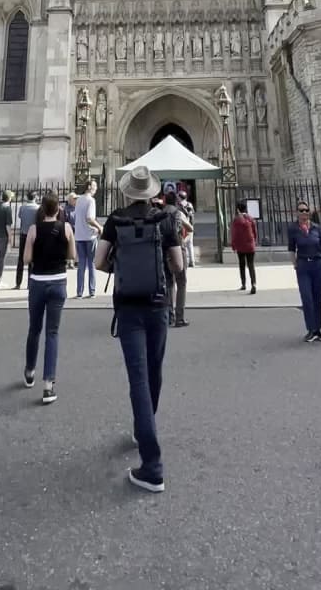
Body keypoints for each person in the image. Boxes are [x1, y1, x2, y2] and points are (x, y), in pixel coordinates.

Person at [95, 164, 182, 492]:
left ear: (127, 192)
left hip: (128, 306)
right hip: (158, 304)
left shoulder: (116, 219)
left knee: (138, 379)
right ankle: (146, 428)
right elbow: (179, 264)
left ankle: (152, 462)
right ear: (152, 192)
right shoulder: (165, 219)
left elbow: (98, 262)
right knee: (154, 371)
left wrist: (121, 266)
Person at [23, 192, 77, 404]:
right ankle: (48, 385)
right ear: (58, 209)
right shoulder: (66, 228)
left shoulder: (34, 229)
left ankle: (29, 371)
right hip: (58, 281)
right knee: (52, 333)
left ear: (42, 209)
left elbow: (26, 258)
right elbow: (72, 256)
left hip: (38, 281)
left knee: (34, 329)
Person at [288, 199, 321, 341]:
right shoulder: (293, 229)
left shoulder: (317, 228)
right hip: (303, 265)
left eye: (306, 210)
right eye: (301, 210)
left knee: (317, 298)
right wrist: (295, 264)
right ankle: (310, 329)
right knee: (307, 298)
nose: (304, 212)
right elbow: (291, 249)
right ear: (297, 213)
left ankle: (318, 329)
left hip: (317, 265)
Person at [163, 192, 191, 327]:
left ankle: (170, 315)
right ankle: (180, 317)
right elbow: (190, 228)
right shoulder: (178, 213)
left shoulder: (160, 213)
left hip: (164, 250)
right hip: (178, 248)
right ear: (176, 201)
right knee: (181, 282)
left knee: (168, 282)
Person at [74, 178, 102, 298]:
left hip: (79, 235)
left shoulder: (79, 199)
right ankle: (92, 291)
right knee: (91, 264)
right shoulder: (91, 200)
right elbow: (90, 218)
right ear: (89, 187)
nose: (96, 188)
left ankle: (79, 292)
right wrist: (99, 227)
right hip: (90, 235)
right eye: (95, 186)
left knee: (81, 264)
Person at [231, 200, 257, 294]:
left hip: (240, 246)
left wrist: (233, 245)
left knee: (242, 265)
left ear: (238, 209)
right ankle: (253, 283)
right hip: (250, 245)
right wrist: (254, 241)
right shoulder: (251, 218)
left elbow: (234, 234)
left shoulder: (236, 220)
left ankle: (243, 284)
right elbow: (254, 232)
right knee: (251, 265)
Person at [15, 191, 40, 289]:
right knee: (32, 259)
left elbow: (20, 217)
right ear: (35, 197)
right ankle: (30, 283)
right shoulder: (38, 208)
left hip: (23, 234)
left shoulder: (23, 207)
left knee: (21, 259)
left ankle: (18, 283)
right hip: (33, 235)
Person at [178, 190, 196, 268]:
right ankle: (192, 261)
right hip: (190, 225)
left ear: (180, 197)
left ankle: (184, 261)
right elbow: (193, 215)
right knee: (190, 244)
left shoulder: (179, 205)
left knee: (182, 244)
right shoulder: (190, 204)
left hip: (183, 226)